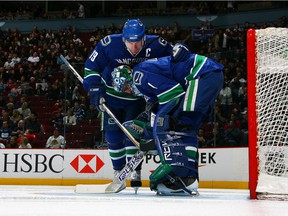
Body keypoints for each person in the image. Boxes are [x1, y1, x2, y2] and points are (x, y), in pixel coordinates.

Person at [111, 43, 224, 195]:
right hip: (208, 74)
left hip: (201, 73)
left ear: (127, 78)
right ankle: (189, 178)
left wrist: (156, 126)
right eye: (124, 91)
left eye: (125, 87)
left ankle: (181, 174)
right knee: (186, 126)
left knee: (176, 122)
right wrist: (148, 126)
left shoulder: (138, 76)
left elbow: (173, 94)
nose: (129, 91)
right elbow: (159, 105)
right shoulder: (145, 87)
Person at [82, 18, 175, 192]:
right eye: (130, 43)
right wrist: (95, 87)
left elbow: (174, 66)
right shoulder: (109, 44)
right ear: (124, 39)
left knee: (133, 135)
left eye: (138, 42)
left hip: (137, 100)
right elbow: (90, 67)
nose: (134, 48)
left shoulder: (158, 45)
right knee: (113, 135)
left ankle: (134, 171)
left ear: (144, 38)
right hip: (112, 97)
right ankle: (119, 172)